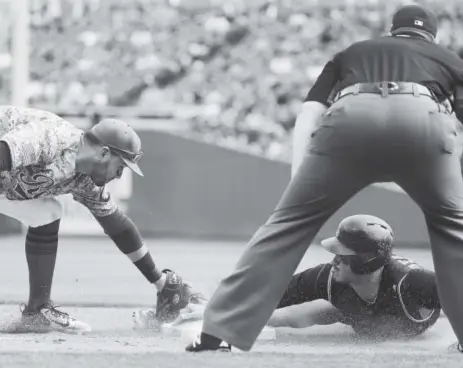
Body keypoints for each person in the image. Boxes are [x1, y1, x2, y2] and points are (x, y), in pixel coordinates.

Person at [185, 4, 463, 352]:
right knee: (454, 228)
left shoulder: (352, 53)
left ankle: (218, 332)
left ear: (392, 31)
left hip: (350, 118)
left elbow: (308, 113)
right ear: (431, 37)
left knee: (285, 225)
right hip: (423, 118)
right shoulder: (449, 59)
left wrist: (297, 182)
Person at [0, 105, 192, 333]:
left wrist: (159, 281)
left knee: (47, 213)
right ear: (103, 153)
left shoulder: (85, 181)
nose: (120, 175)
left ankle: (38, 313)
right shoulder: (51, 138)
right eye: (121, 166)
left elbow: (117, 226)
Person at [137, 215, 440, 342]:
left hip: (382, 315)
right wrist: (214, 310)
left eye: (342, 254)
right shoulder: (327, 278)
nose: (334, 259)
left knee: (323, 312)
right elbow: (264, 299)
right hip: (357, 312)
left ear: (365, 261)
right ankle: (194, 303)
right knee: (286, 315)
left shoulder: (413, 283)